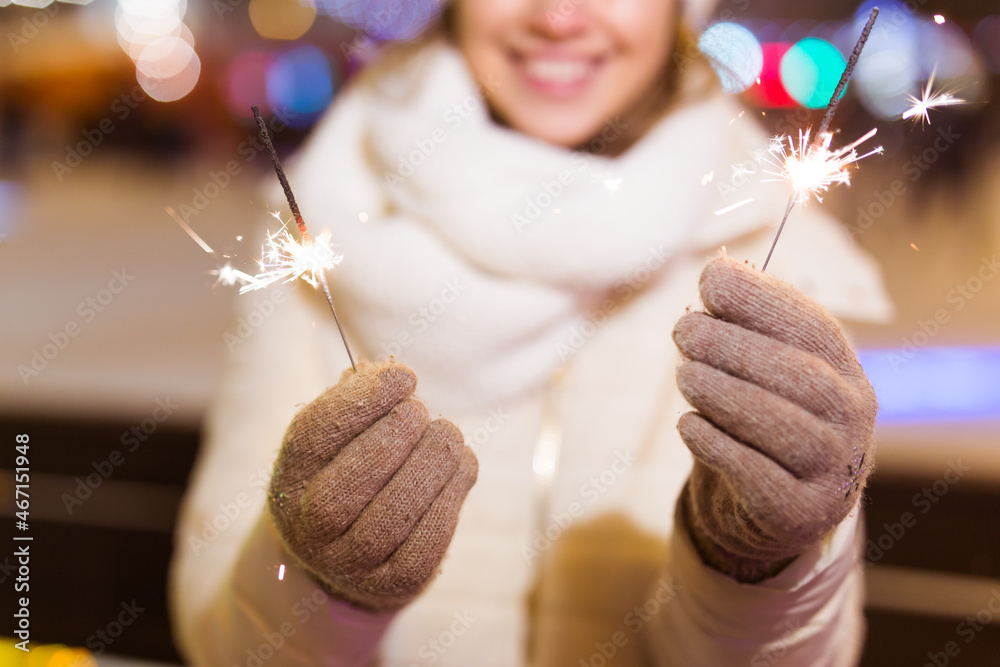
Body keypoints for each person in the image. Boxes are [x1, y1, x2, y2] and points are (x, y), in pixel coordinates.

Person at [169, 1, 893, 665]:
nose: (557, 16)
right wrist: (324, 585)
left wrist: (758, 563)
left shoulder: (772, 244)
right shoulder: (327, 214)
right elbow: (221, 639)